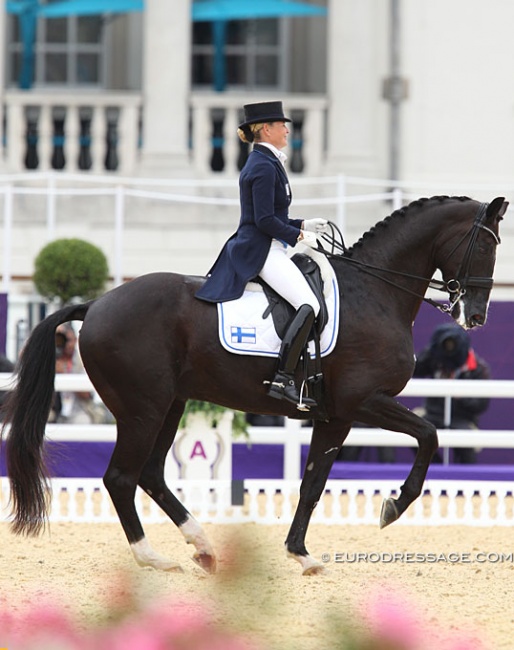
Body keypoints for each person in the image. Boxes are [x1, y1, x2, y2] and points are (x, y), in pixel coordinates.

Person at [196, 100, 329, 409]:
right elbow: (264, 221)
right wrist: (298, 235)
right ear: (266, 129)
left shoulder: (268, 162)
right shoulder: (261, 166)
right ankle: (284, 378)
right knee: (309, 304)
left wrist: (304, 223)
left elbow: (272, 215)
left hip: (270, 244)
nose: (286, 129)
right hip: (260, 250)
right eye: (281, 125)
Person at [413, 322, 491, 464]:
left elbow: (481, 404)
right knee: (412, 430)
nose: (449, 348)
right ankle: (435, 467)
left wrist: (460, 397)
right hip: (432, 414)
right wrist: (429, 352)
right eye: (445, 345)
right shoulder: (434, 359)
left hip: (463, 419)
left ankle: (467, 478)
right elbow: (413, 369)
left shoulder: (478, 368)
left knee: (467, 446)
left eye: (452, 345)